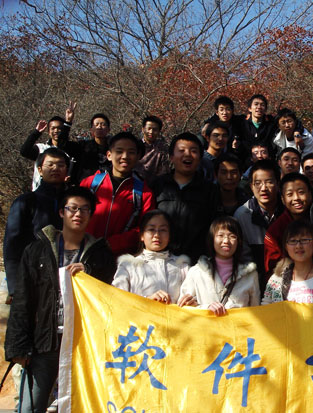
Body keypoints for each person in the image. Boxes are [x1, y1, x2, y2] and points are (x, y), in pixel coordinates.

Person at [5, 186, 116, 413]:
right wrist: (18, 346)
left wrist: (90, 272)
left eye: (85, 209)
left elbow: (110, 296)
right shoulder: (37, 250)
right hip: (44, 341)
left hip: (83, 344)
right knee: (30, 407)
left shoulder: (101, 254)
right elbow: (23, 299)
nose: (78, 214)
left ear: (91, 214)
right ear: (61, 212)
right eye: (72, 208)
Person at [3, 148, 68, 300]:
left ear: (66, 170)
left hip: (66, 276)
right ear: (40, 170)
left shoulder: (74, 202)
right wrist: (15, 286)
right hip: (33, 275)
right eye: (50, 164)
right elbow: (12, 244)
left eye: (60, 165)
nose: (55, 168)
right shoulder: (26, 201)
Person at [81, 131, 154, 256]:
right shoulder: (90, 184)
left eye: (131, 152)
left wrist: (111, 245)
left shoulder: (144, 193)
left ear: (138, 157)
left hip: (121, 259)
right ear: (109, 155)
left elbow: (144, 227)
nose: (125, 156)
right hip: (84, 253)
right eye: (119, 151)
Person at [151, 132, 217, 262]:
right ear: (171, 157)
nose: (187, 154)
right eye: (181, 150)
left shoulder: (210, 190)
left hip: (195, 262)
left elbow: (213, 228)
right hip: (159, 259)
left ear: (200, 158)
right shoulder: (158, 185)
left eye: (194, 151)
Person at [112, 210, 197, 306]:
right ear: (142, 235)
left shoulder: (182, 266)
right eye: (151, 229)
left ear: (169, 235)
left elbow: (197, 299)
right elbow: (116, 300)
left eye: (163, 230)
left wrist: (192, 301)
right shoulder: (128, 266)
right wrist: (147, 300)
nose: (157, 235)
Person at [178, 216, 260, 315]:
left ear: (239, 241)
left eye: (232, 236)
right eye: (220, 235)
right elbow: (183, 308)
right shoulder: (196, 272)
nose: (226, 241)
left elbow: (256, 312)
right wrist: (207, 308)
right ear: (212, 239)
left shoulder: (250, 275)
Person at [234, 160, 284, 291]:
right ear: (251, 186)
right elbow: (244, 259)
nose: (263, 188)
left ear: (278, 184)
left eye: (269, 182)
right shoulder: (242, 215)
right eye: (258, 183)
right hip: (255, 283)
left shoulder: (288, 211)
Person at [20, 101, 80, 189]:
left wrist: (68, 122)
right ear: (48, 132)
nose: (56, 131)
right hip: (40, 192)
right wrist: (36, 133)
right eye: (53, 128)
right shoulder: (41, 148)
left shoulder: (71, 149)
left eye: (59, 128)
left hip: (63, 192)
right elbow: (24, 151)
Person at [264, 172, 313, 276]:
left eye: (301, 192)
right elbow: (272, 268)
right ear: (282, 199)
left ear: (310, 194)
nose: (296, 198)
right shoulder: (275, 230)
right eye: (290, 194)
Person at [238, 94, 277, 164]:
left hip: (266, 161)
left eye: (262, 105)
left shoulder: (271, 123)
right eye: (256, 104)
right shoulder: (241, 122)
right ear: (249, 108)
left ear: (265, 109)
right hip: (245, 162)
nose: (259, 107)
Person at [135, 115, 170, 186]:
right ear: (143, 129)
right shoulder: (135, 145)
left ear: (159, 131)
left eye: (155, 129)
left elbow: (164, 172)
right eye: (149, 128)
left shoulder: (162, 149)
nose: (151, 132)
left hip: (153, 186)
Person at [77, 113, 112, 181]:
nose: (99, 127)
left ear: (108, 129)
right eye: (96, 125)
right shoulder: (83, 146)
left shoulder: (114, 147)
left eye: (103, 124)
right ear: (91, 129)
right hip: (88, 183)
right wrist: (68, 122)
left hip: (109, 182)